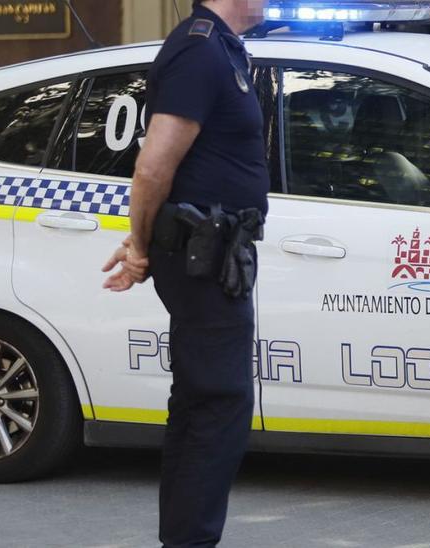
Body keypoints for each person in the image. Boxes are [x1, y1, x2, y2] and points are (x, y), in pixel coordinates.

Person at [101, 0, 269, 546]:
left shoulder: (222, 48)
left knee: (200, 401)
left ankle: (182, 537)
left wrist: (145, 244)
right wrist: (141, 249)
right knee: (219, 402)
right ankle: (191, 539)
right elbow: (153, 167)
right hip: (203, 257)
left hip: (214, 253)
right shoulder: (200, 51)